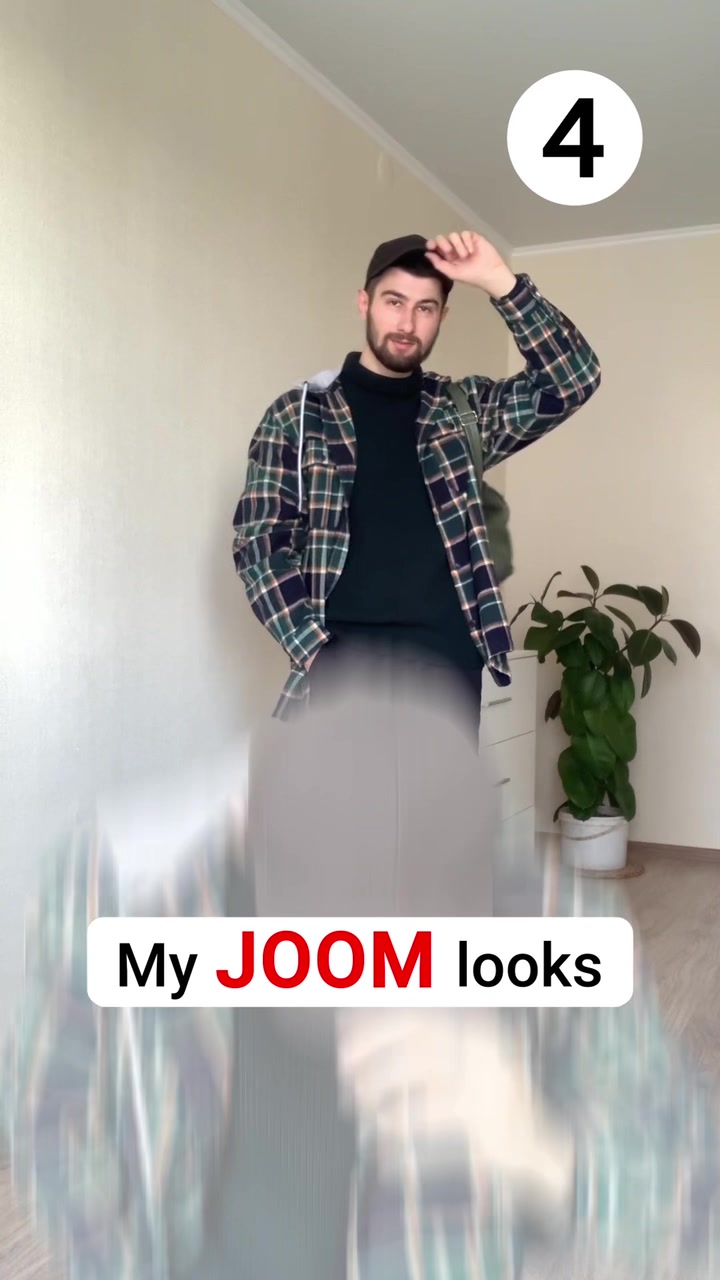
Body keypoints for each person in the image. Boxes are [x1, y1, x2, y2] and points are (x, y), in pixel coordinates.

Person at [232, 231, 602, 728]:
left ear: (442, 316)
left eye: (425, 308)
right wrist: (313, 651)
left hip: (446, 675)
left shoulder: (463, 412)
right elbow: (260, 544)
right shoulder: (300, 416)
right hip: (342, 673)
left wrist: (500, 281)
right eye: (394, 301)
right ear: (364, 303)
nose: (407, 323)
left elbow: (574, 378)